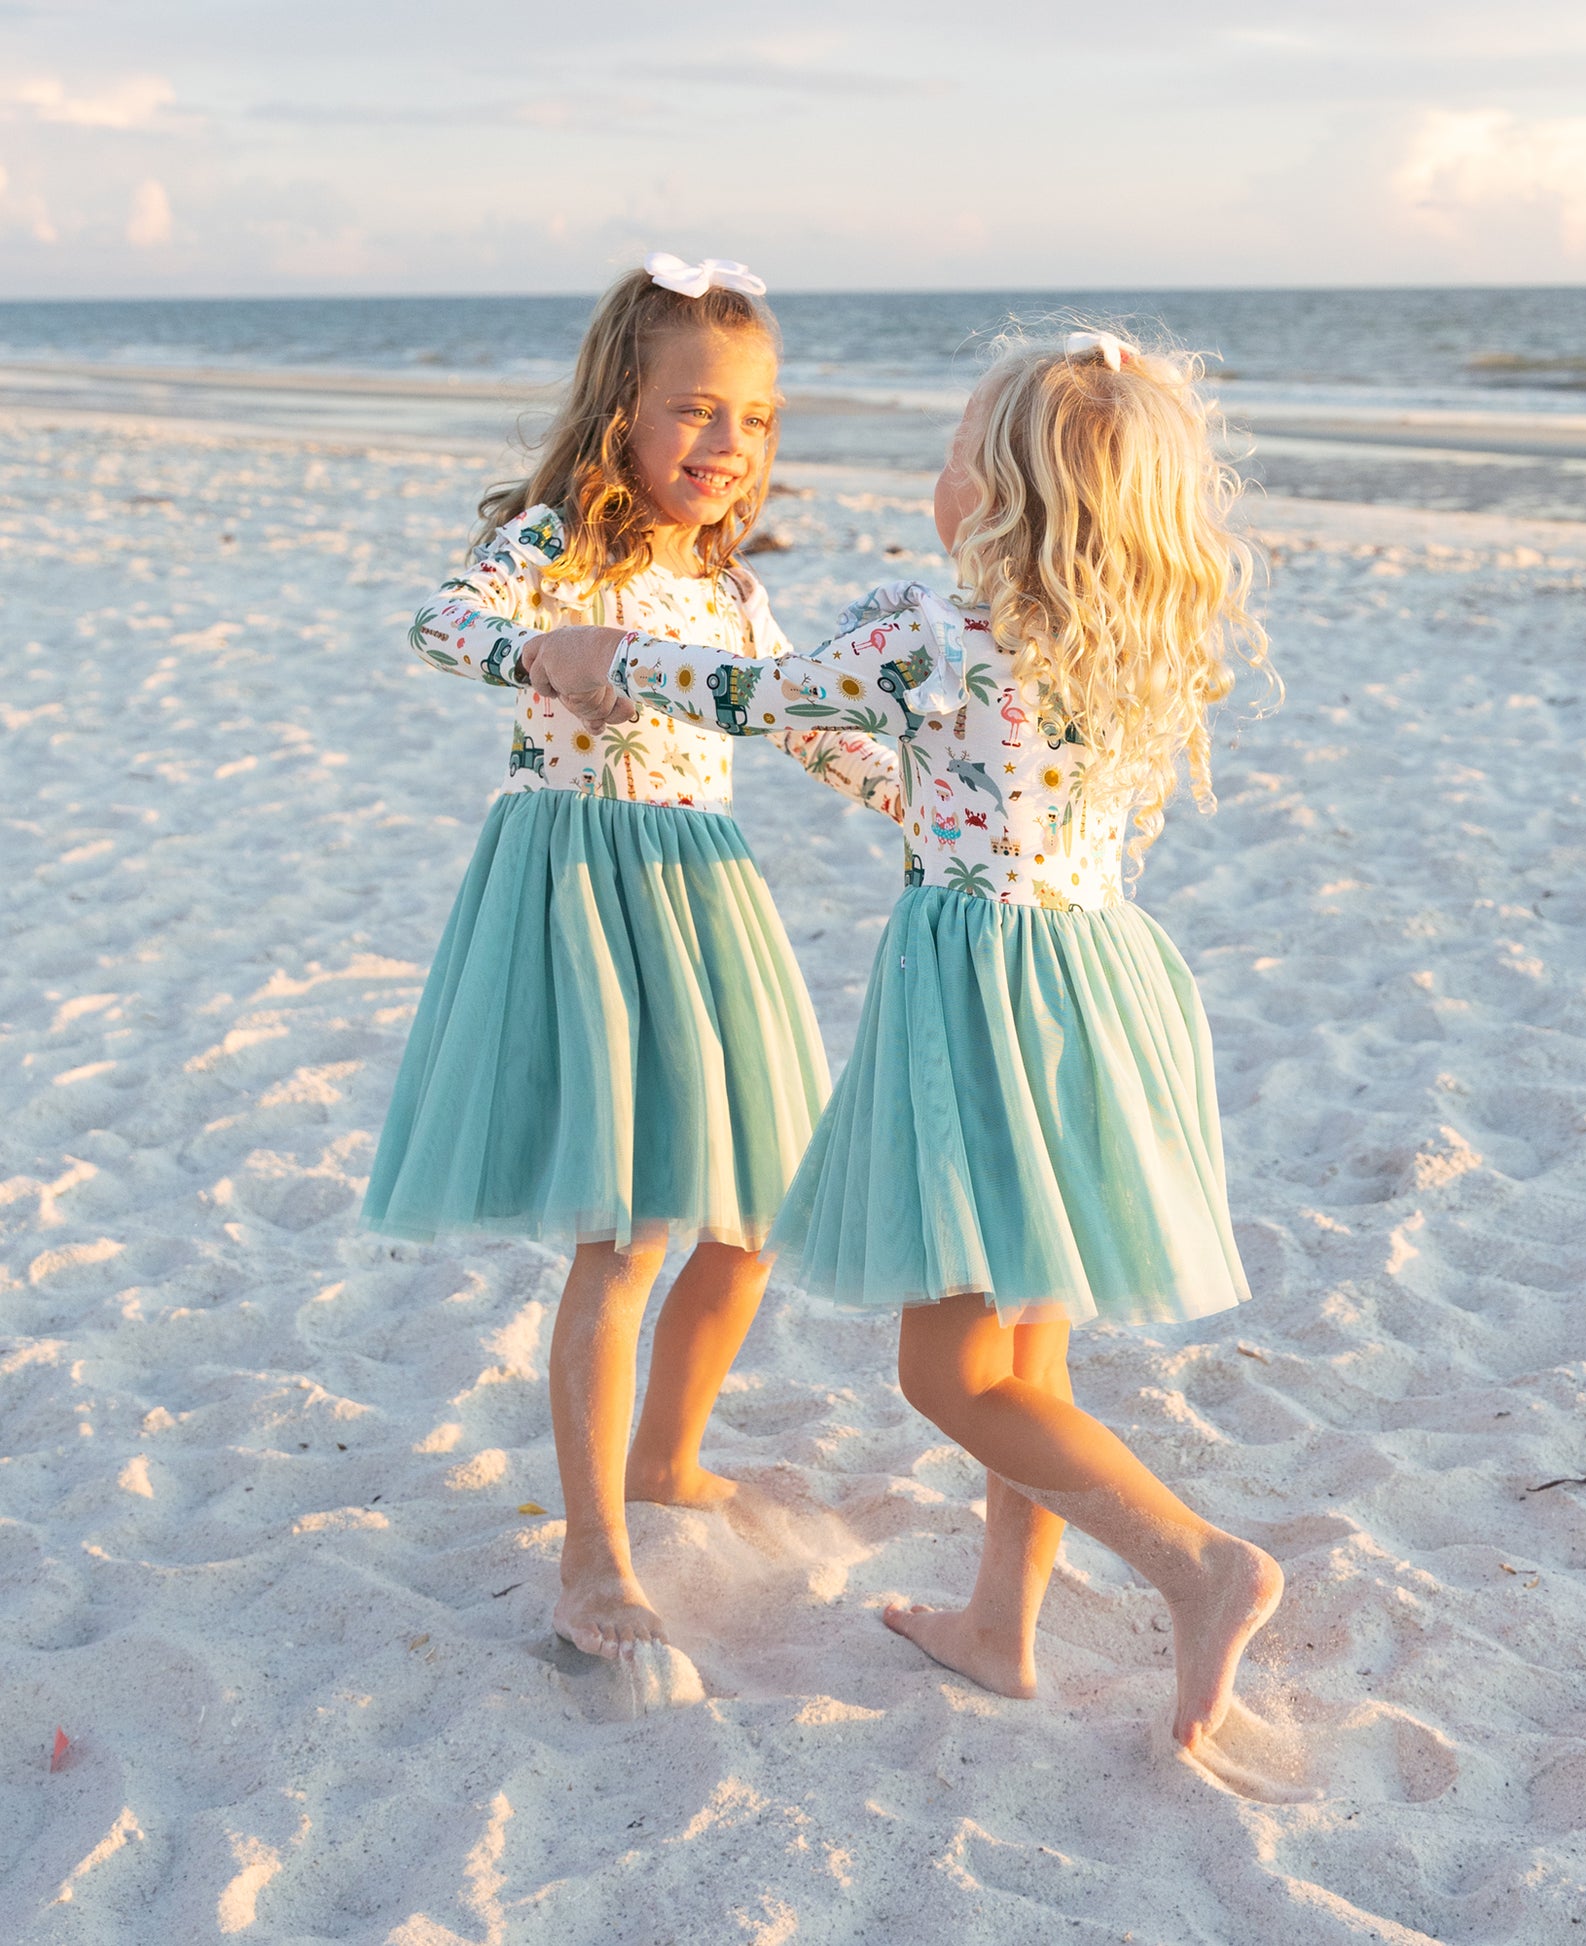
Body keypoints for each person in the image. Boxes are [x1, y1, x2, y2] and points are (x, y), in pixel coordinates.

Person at [527, 326, 1283, 1753]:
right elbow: (940, 777)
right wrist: (887, 776)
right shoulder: (1127, 640)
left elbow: (758, 695)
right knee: (1030, 1351)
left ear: (994, 497)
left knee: (947, 1374)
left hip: (982, 1005)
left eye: (950, 456)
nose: (933, 478)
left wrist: (606, 655)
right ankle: (999, 1628)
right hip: (1101, 995)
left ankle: (1198, 1560)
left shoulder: (929, 627)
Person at [362, 253, 900, 1660]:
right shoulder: (555, 550)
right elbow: (440, 623)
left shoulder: (728, 589)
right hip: (586, 888)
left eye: (758, 420)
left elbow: (801, 723)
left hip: (705, 895)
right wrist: (548, 650)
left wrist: (935, 801)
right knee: (629, 1229)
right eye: (695, 412)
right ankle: (594, 1552)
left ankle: (668, 1455)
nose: (728, 447)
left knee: (750, 1217)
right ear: (621, 407)